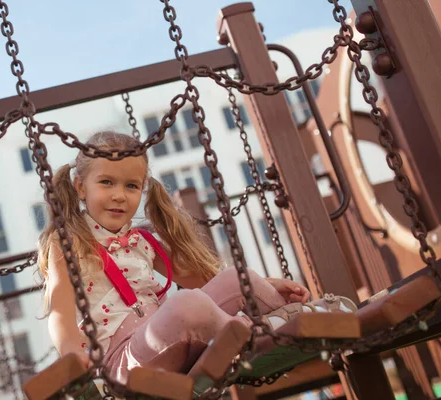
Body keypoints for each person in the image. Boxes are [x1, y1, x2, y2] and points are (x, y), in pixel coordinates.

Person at [38, 131, 356, 384]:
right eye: (107, 182)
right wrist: (72, 357)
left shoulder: (143, 242)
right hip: (127, 365)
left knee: (234, 278)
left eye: (131, 186)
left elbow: (210, 283)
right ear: (80, 186)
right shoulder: (68, 244)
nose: (120, 194)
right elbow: (61, 313)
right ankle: (254, 336)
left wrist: (266, 284)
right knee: (185, 303)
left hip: (174, 339)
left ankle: (296, 319)